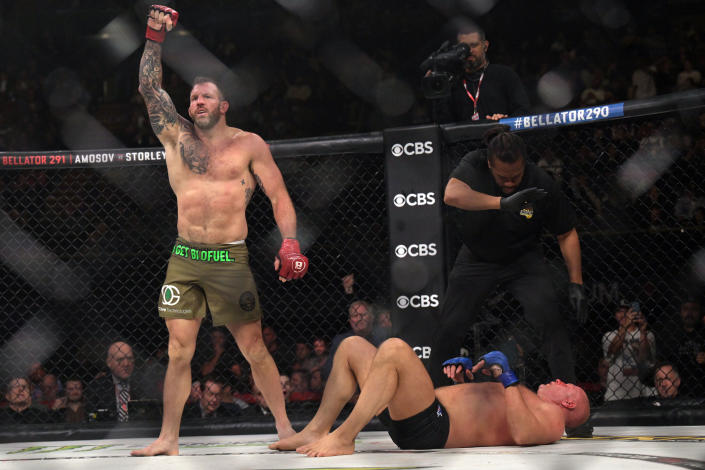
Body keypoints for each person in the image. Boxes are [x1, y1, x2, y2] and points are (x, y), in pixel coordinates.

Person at [132, 5, 308, 457]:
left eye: (205, 97)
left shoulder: (249, 145)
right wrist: (155, 36)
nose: (197, 103)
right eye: (193, 98)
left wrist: (290, 241)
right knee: (177, 350)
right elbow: (149, 87)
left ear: (223, 105)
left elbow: (279, 197)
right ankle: (169, 439)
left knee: (253, 349)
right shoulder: (176, 136)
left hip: (229, 256)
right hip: (187, 257)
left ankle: (286, 428)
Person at [429, 127, 585, 394]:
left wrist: (576, 282)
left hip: (523, 259)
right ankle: (431, 405)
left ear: (524, 162)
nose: (511, 182)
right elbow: (451, 194)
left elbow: (566, 232)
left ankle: (571, 400)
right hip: (477, 256)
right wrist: (502, 202)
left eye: (516, 176)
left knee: (551, 323)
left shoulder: (540, 182)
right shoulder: (475, 163)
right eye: (503, 177)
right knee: (449, 327)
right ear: (490, 164)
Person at [270, 336, 589, 456]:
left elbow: (522, 433)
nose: (560, 380)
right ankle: (315, 429)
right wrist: (469, 378)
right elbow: (488, 410)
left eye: (568, 385)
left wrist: (505, 376)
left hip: (431, 428)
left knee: (395, 349)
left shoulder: (552, 419)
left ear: (569, 403)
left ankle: (344, 436)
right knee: (353, 345)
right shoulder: (525, 397)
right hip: (419, 414)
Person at [429, 25, 530, 123]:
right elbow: (442, 123)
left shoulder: (505, 75)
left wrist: (506, 121)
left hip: (499, 137)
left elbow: (523, 111)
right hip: (465, 138)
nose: (469, 51)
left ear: (485, 46)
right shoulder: (453, 82)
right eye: (463, 47)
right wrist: (437, 90)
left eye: (474, 45)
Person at [601, 300, 656, 401]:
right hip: (616, 393)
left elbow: (644, 358)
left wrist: (643, 331)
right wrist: (625, 326)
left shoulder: (648, 335)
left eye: (627, 311)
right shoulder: (609, 336)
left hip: (643, 392)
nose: (623, 315)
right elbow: (611, 352)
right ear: (615, 315)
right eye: (619, 311)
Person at [84, 341, 145, 422]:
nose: (126, 364)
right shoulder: (96, 387)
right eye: (120, 359)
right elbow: (91, 418)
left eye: (130, 358)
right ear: (109, 362)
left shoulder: (144, 383)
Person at [321, 300, 378, 379]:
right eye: (355, 315)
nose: (359, 318)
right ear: (350, 321)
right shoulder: (340, 340)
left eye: (363, 315)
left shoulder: (380, 337)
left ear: (371, 317)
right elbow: (327, 372)